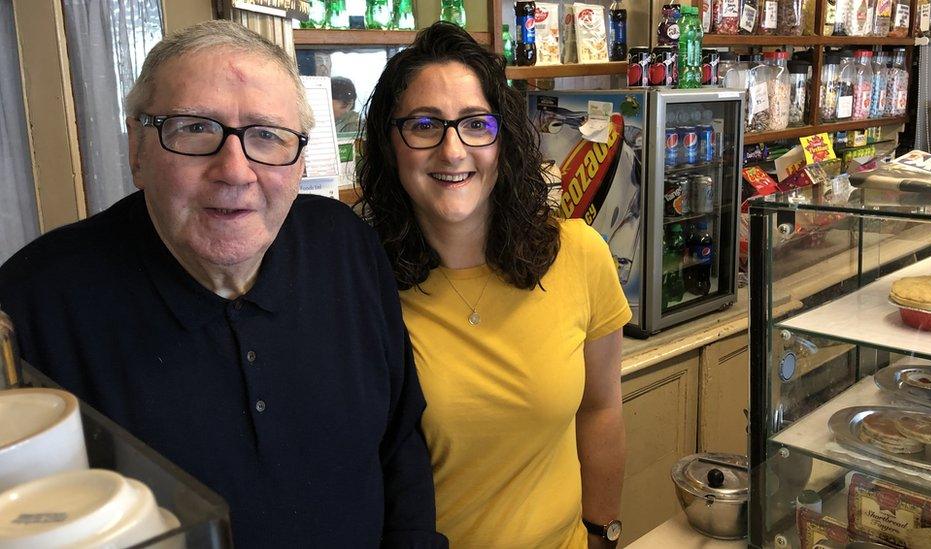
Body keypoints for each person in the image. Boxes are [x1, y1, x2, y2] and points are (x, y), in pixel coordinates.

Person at [0, 20, 445, 548]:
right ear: (137, 151)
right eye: (194, 128)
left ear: (300, 160)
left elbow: (400, 446)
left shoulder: (347, 248)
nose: (235, 171)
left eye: (266, 136)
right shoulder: (33, 303)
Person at [358, 21, 630, 548]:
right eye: (423, 125)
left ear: (502, 140)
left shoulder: (578, 254)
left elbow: (600, 409)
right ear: (391, 145)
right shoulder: (365, 284)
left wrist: (603, 532)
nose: (453, 150)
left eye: (475, 124)